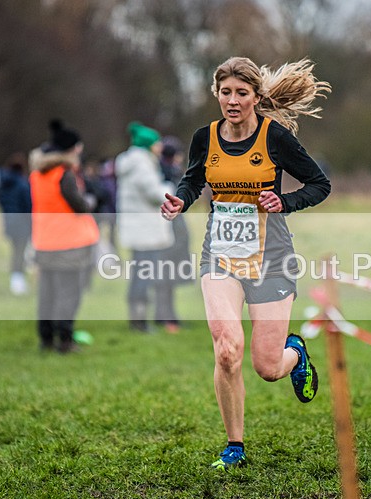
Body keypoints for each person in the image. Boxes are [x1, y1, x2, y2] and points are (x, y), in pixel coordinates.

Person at [160, 57, 331, 469]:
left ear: (255, 96)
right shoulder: (205, 137)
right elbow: (194, 179)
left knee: (267, 367)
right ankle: (234, 446)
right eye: (225, 92)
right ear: (216, 94)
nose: (232, 101)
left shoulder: (275, 137)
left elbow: (320, 184)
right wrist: (181, 199)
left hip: (272, 258)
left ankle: (295, 353)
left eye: (241, 93)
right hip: (220, 255)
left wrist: (283, 202)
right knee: (226, 350)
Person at [29, 119, 100, 354]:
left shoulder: (37, 174)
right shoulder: (64, 175)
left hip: (44, 241)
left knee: (47, 294)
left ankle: (46, 338)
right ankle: (66, 340)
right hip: (69, 243)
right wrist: (90, 201)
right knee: (68, 294)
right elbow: (79, 205)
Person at [115, 121, 175, 332]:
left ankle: (137, 319)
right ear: (148, 144)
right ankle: (139, 321)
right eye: (157, 143)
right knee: (144, 275)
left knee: (140, 274)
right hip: (145, 231)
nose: (160, 146)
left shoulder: (134, 162)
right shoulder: (141, 164)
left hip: (138, 229)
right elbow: (156, 194)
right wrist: (170, 187)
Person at [156, 136, 192, 333]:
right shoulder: (169, 175)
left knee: (167, 276)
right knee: (165, 276)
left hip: (170, 230)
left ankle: (165, 314)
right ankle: (166, 316)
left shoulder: (164, 172)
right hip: (170, 231)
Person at [0, 152, 33, 295]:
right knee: (20, 252)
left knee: (16, 251)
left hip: (9, 222)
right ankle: (18, 281)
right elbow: (28, 206)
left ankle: (16, 279)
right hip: (22, 223)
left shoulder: (4, 184)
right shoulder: (22, 185)